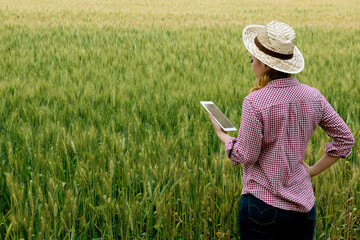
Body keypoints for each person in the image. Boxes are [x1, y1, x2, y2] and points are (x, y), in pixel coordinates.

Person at [208, 20, 355, 239]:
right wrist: (312, 170)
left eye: (253, 59)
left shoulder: (254, 102)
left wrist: (223, 136)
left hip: (261, 207)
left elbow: (246, 156)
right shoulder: (314, 96)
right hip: (303, 208)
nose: (251, 64)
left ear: (266, 65)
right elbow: (346, 139)